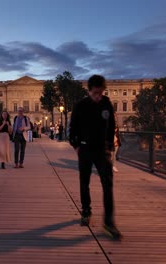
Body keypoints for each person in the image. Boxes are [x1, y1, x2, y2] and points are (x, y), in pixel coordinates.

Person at [69, 74, 121, 239]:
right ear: (89, 91)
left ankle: (109, 222)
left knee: (108, 184)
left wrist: (110, 147)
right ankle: (86, 211)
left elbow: (111, 125)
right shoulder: (80, 106)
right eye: (95, 93)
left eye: (101, 93)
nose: (99, 97)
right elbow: (73, 129)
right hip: (85, 149)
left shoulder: (106, 103)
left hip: (102, 151)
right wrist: (76, 146)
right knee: (84, 182)